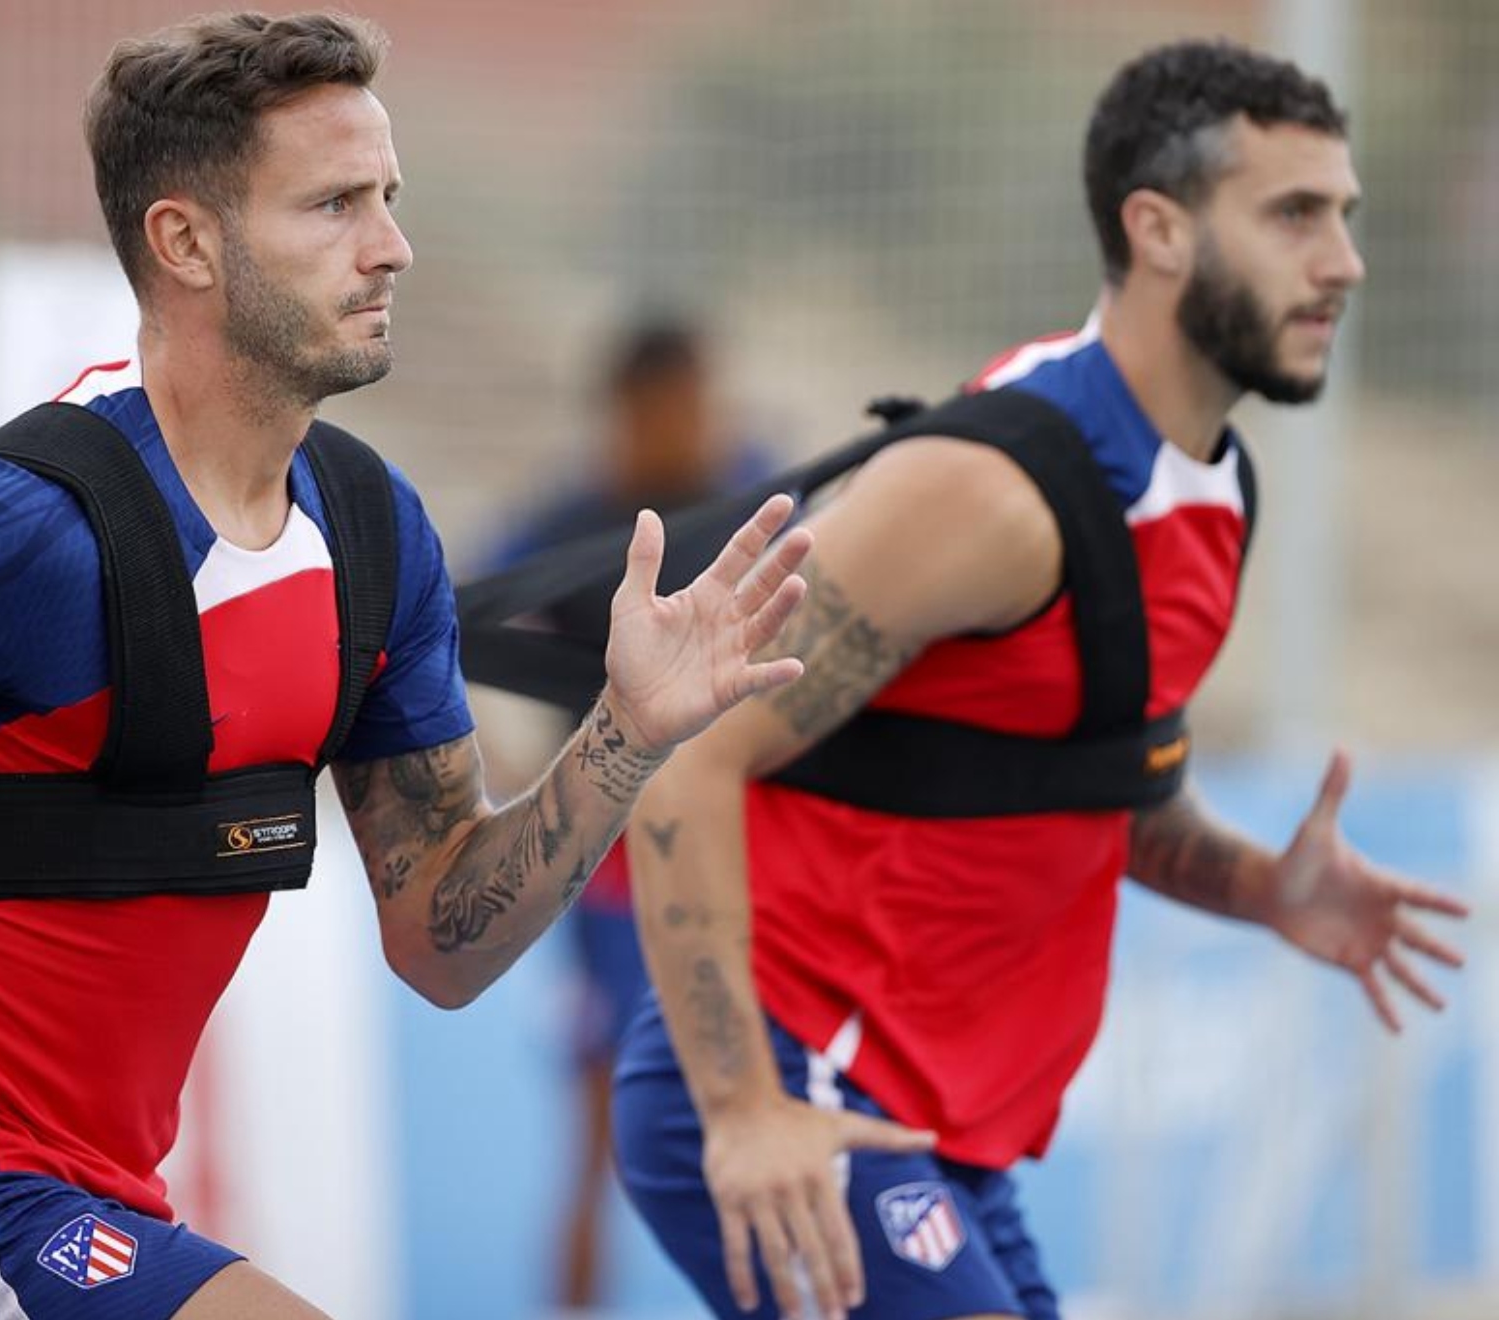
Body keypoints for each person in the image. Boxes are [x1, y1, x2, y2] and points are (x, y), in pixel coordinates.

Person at [0, 15, 819, 1320]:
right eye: (333, 205)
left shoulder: (377, 540)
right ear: (185, 241)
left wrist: (629, 731)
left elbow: (439, 937)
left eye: (387, 197)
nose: (391, 245)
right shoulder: (18, 524)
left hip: (99, 1204)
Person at [608, 39, 1470, 1320]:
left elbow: (1080, 780)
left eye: (1342, 216)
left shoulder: (1212, 489)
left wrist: (1263, 887)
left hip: (939, 1121)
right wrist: (743, 1111)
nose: (1342, 259)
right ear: (1158, 229)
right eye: (1295, 214)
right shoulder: (994, 489)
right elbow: (682, 751)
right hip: (800, 1091)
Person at [477, 315, 772, 1313]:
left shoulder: (759, 499)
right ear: (624, 412)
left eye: (699, 400)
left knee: (756, 1114)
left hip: (743, 861)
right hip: (608, 872)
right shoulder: (573, 528)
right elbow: (451, 618)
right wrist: (516, 772)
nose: (687, 424)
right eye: (665, 407)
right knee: (600, 1138)